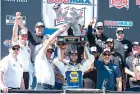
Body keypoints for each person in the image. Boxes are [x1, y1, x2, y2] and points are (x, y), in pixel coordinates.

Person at [35, 25, 69, 90]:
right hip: (43, 87)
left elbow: (60, 59)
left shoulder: (50, 60)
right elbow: (49, 41)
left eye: (51, 52)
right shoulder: (40, 56)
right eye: (48, 51)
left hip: (51, 87)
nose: (50, 53)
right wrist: (60, 30)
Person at [17, 12, 45, 89]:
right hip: (31, 63)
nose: (40, 29)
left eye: (41, 27)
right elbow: (23, 28)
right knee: (29, 83)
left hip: (40, 64)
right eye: (38, 27)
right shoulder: (31, 35)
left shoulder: (45, 38)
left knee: (38, 82)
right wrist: (19, 19)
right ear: (35, 28)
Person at [12, 13, 31, 89]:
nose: (24, 37)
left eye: (25, 36)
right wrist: (16, 22)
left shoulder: (28, 48)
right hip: (18, 72)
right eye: (22, 36)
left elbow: (25, 29)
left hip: (26, 73)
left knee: (26, 91)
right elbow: (14, 33)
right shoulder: (17, 44)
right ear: (19, 37)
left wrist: (21, 23)